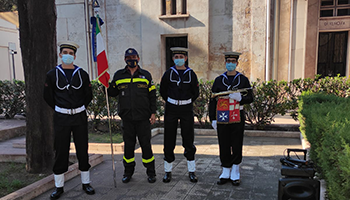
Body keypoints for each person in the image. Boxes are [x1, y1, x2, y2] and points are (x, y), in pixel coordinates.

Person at [43, 41, 95, 199]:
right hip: (62, 117)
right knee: (61, 150)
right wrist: (62, 108)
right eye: (65, 53)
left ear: (74, 56)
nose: (68, 56)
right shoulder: (52, 74)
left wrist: (78, 107)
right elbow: (48, 96)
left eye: (71, 54)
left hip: (79, 116)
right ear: (60, 55)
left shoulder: (82, 73)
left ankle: (86, 183)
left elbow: (88, 95)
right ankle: (59, 186)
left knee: (82, 149)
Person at [107, 48, 157, 183]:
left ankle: (151, 172)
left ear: (138, 58)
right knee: (128, 147)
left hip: (143, 118)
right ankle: (128, 172)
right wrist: (107, 83)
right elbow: (112, 93)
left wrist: (153, 112)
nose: (131, 60)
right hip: (127, 118)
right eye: (129, 58)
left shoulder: (146, 75)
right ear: (125, 60)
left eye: (134, 57)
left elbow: (152, 96)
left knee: (146, 146)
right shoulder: (119, 75)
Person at [209, 52, 254, 186]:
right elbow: (212, 100)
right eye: (228, 61)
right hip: (222, 116)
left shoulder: (243, 80)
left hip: (237, 116)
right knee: (223, 143)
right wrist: (213, 118)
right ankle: (225, 170)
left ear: (237, 63)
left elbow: (250, 98)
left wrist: (241, 99)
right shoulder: (218, 80)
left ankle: (235, 170)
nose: (230, 63)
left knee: (236, 143)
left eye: (233, 61)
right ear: (225, 63)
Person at [160, 47, 199, 183]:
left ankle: (192, 170)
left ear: (186, 58)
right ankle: (168, 171)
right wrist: (173, 101)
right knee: (169, 139)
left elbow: (195, 92)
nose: (179, 59)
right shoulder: (168, 73)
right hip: (171, 108)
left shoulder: (191, 74)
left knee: (188, 139)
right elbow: (163, 90)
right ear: (173, 59)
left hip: (186, 108)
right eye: (176, 57)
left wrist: (185, 101)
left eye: (181, 57)